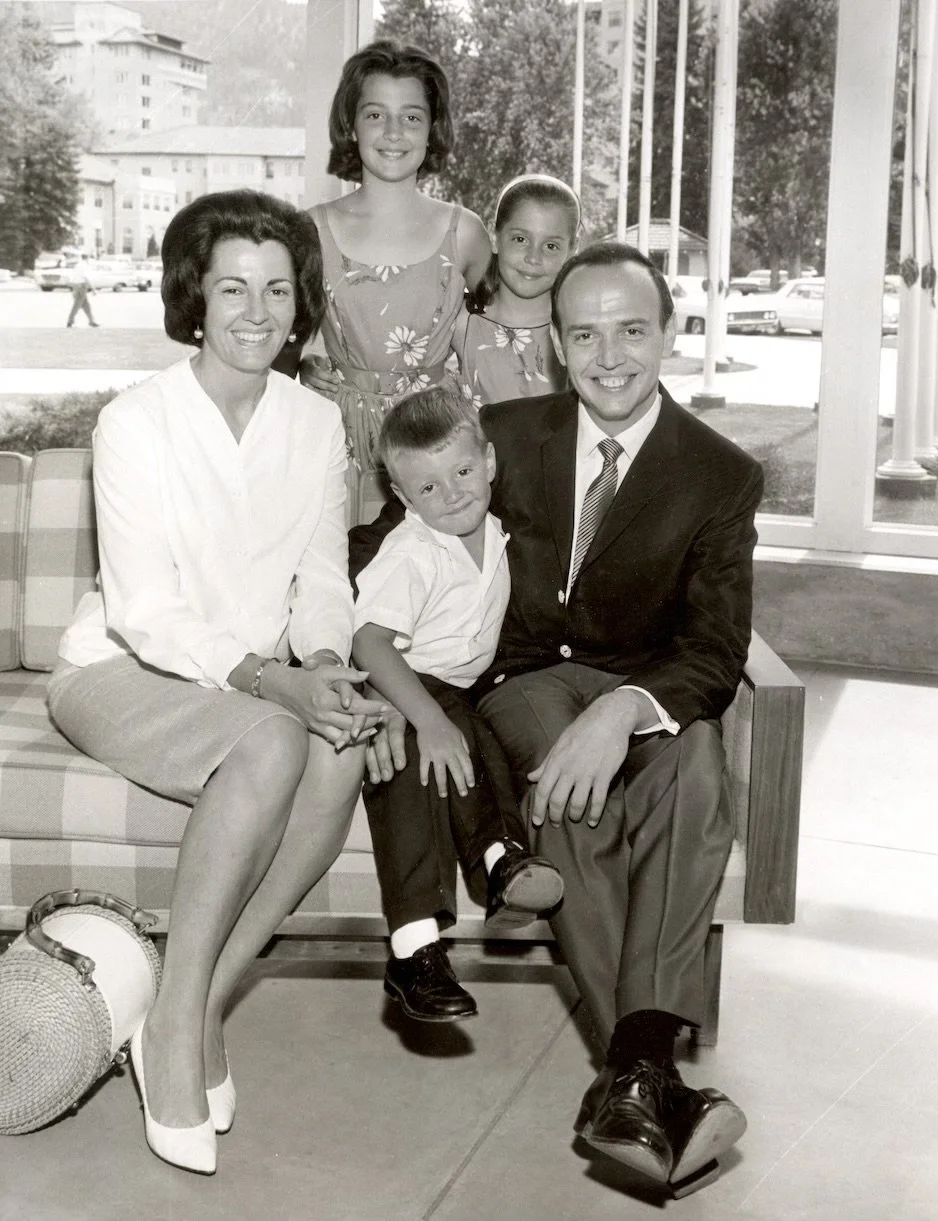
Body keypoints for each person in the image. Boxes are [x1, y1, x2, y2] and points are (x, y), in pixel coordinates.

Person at [357, 242, 764, 1195]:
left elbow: (713, 651)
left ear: (670, 332)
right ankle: (649, 1067)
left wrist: (627, 707)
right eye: (584, 334)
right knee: (571, 788)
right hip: (522, 687)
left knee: (696, 753)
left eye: (631, 329)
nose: (609, 355)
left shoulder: (720, 476)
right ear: (557, 349)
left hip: (638, 691)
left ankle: (636, 1073)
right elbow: (387, 547)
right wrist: (347, 666)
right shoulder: (499, 433)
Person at [47, 189, 387, 1176]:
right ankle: (176, 1036)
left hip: (249, 684)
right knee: (277, 736)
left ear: (299, 301)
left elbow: (324, 580)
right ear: (193, 296)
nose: (255, 310)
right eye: (231, 287)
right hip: (117, 670)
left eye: (277, 289)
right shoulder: (135, 422)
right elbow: (143, 610)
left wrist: (322, 665)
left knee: (336, 753)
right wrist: (272, 687)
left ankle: (183, 1011)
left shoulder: (315, 424)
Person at [352, 387, 563, 1022]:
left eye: (463, 472)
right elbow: (369, 641)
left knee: (484, 747)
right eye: (428, 489)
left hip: (461, 687)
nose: (452, 495)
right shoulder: (413, 552)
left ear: (491, 463)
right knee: (416, 768)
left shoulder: (499, 534)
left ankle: (501, 863)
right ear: (402, 497)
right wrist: (427, 718)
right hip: (400, 684)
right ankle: (414, 951)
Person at [298, 38, 491, 525]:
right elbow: (277, 331)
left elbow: (499, 338)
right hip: (339, 436)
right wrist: (301, 361)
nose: (393, 132)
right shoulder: (310, 230)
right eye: (375, 114)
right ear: (351, 125)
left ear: (432, 129)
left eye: (411, 116)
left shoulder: (463, 231)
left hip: (437, 441)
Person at [450, 174, 580, 407]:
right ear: (494, 236)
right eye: (520, 239)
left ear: (573, 248)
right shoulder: (462, 322)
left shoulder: (577, 331)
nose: (533, 257)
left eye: (551, 246)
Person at [66, 257, 99, 327]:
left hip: (77, 286)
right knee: (77, 305)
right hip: (82, 287)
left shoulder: (78, 265)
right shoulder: (84, 266)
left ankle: (91, 321)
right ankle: (70, 321)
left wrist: (74, 287)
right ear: (87, 260)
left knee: (86, 306)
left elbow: (73, 278)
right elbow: (86, 277)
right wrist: (93, 289)